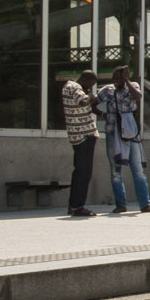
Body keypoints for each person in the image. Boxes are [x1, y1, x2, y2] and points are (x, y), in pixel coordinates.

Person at [96, 66, 150, 214]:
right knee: (116, 171)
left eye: (120, 77)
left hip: (131, 135)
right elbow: (94, 104)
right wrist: (103, 115)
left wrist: (127, 81)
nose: (117, 81)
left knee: (138, 170)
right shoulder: (107, 90)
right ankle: (120, 204)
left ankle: (145, 204)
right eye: (115, 78)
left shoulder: (133, 86)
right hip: (113, 133)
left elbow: (138, 96)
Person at [60, 71, 100, 218]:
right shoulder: (75, 87)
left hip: (77, 135)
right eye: (90, 84)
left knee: (79, 171)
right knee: (84, 173)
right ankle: (78, 206)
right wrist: (90, 96)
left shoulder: (67, 86)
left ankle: (73, 205)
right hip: (84, 135)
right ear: (84, 79)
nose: (90, 87)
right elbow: (83, 101)